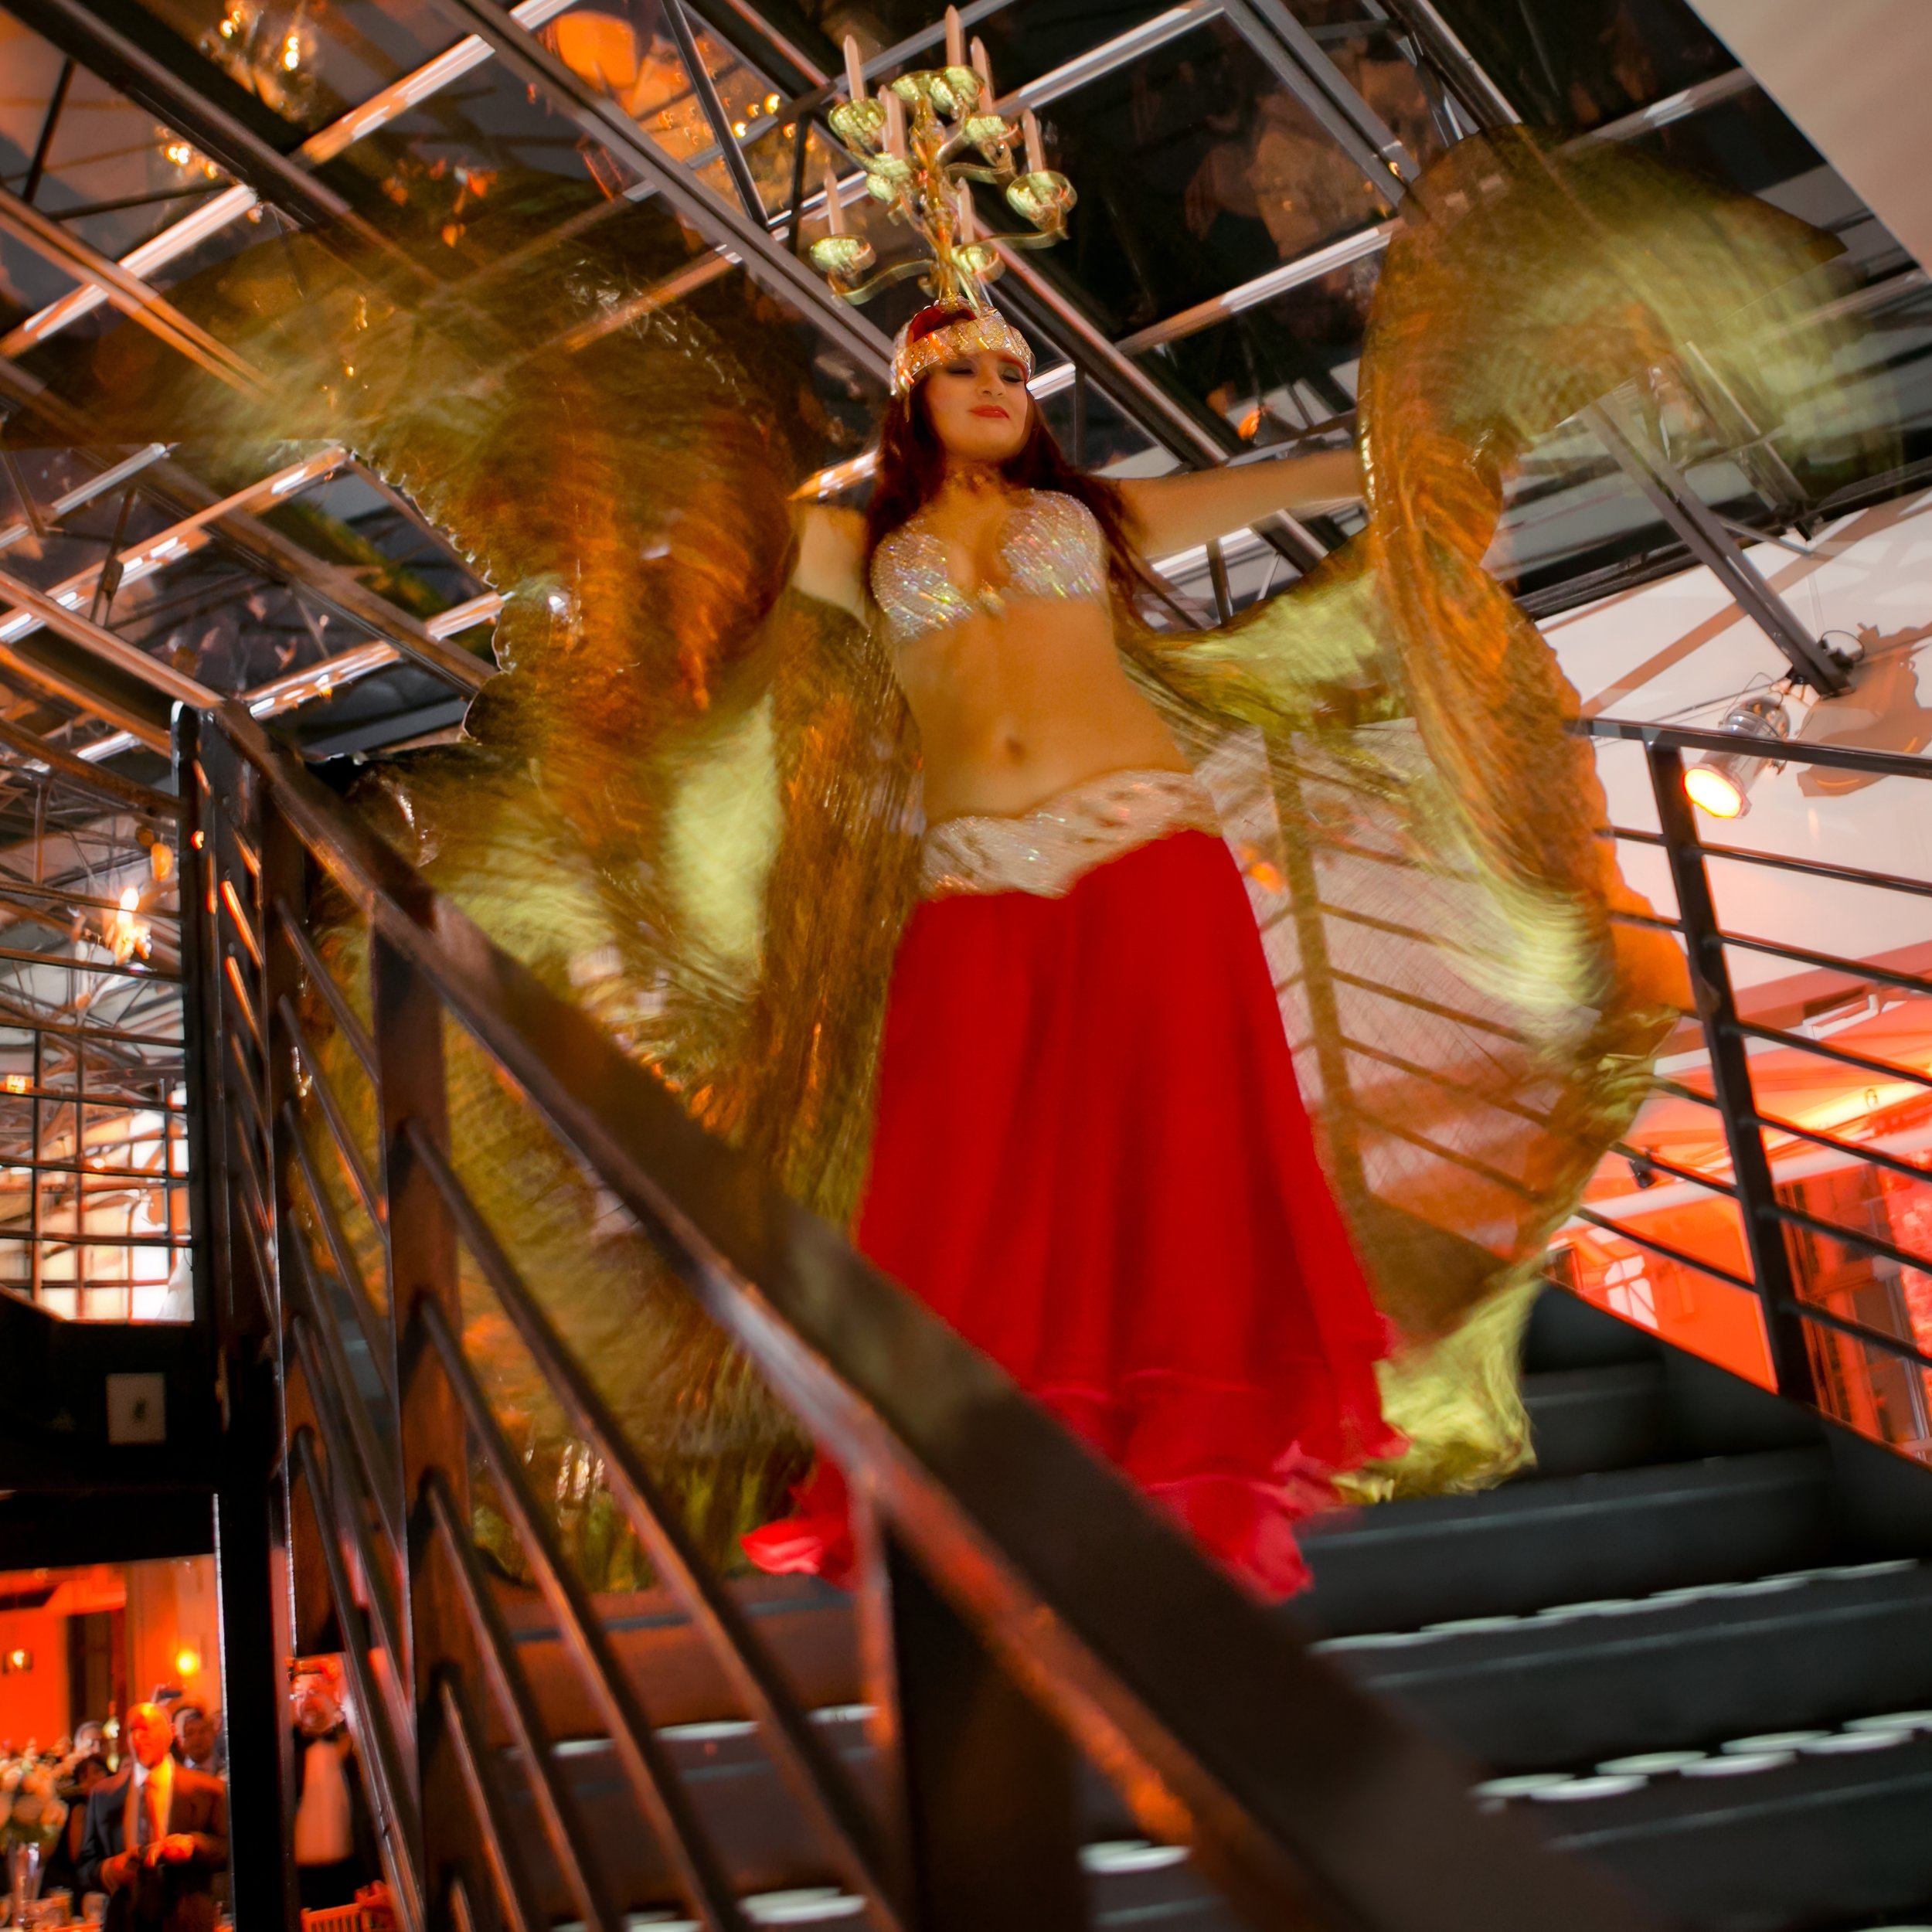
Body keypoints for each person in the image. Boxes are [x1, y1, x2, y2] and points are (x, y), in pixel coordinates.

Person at [741, 295, 1403, 1598]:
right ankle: (962, 1456)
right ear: (909, 399)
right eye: (962, 370)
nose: (996, 385)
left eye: (1015, 371)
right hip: (977, 877)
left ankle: (1184, 1447)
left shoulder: (1092, 518)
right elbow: (712, 523)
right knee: (957, 1170)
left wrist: (1404, 451)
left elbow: (1291, 478)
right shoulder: (857, 540)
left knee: (1181, 1147)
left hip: (1144, 846)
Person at [76, 1702, 226, 1932]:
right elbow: (86, 1866)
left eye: (146, 1728)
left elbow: (228, 1850)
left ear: (170, 1732)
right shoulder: (104, 1794)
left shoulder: (207, 1790)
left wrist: (194, 1845)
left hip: (187, 1921)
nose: (138, 1737)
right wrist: (109, 1870)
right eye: (131, 1731)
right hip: (125, 1922)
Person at [291, 1672, 376, 1911]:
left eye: (315, 1691)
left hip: (349, 1871)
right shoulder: (288, 1750)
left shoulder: (353, 1743)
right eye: (299, 1695)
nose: (307, 1700)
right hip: (301, 1876)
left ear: (332, 1694)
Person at [44, 1750, 109, 1893]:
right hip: (68, 1882)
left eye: (97, 1772)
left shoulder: (113, 1804)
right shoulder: (80, 1808)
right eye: (85, 1776)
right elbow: (77, 1856)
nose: (92, 1779)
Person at [170, 1706, 218, 1778]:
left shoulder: (224, 1768)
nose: (196, 1738)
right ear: (180, 1741)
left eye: (202, 1731)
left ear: (212, 1733)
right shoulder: (175, 1776)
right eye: (190, 1733)